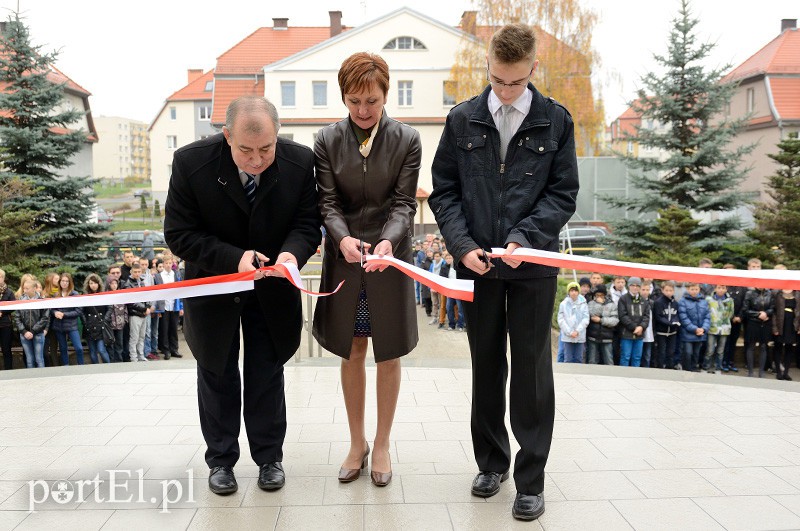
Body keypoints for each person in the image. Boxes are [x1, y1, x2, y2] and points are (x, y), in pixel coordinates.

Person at [430, 23, 579, 521]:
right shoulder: (461, 120)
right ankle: (491, 463)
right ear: (488, 68)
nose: (505, 91)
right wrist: (462, 245)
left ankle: (531, 478)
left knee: (533, 371)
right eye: (496, 79)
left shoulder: (556, 121)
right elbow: (445, 192)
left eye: (514, 82)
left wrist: (527, 238)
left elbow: (563, 194)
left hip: (533, 267)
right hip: (479, 266)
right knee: (486, 364)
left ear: (533, 70)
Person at [164, 95, 320, 496]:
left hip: (272, 288)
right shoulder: (190, 163)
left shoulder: (300, 162)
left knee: (267, 370)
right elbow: (179, 234)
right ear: (226, 135)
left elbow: (306, 223)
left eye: (266, 149)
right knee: (216, 370)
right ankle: (221, 461)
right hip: (214, 285)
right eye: (246, 150)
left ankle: (270, 458)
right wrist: (234, 259)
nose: (257, 160)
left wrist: (292, 253)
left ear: (277, 136)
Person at [312, 52, 420, 488]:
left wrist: (387, 241)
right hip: (345, 256)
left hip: (389, 258)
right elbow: (327, 202)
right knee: (353, 348)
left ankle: (382, 444)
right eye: (354, 100)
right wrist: (341, 238)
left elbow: (405, 202)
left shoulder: (407, 139)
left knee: (388, 351)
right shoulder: (327, 140)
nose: (362, 110)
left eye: (371, 100)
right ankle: (356, 443)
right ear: (343, 96)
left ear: (385, 95)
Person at [12, 279, 48, 368]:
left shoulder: (42, 301)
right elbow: (17, 317)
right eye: (24, 288)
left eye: (27, 288)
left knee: (39, 359)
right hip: (24, 334)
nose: (25, 290)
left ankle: (42, 379)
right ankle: (30, 380)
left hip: (38, 333)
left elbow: (44, 318)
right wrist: (24, 331)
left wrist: (33, 331)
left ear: (34, 288)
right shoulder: (21, 300)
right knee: (29, 360)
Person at [51, 272, 85, 366]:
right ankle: (66, 366)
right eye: (63, 281)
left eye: (67, 281)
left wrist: (64, 314)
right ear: (60, 282)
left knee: (78, 348)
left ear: (70, 283)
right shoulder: (56, 295)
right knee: (62, 348)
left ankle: (81, 365)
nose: (65, 283)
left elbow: (78, 311)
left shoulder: (74, 294)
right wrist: (55, 313)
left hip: (71, 325)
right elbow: (51, 309)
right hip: (59, 325)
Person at [617, 277, 650, 368]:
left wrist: (641, 327)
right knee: (625, 357)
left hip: (639, 334)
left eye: (637, 286)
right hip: (627, 334)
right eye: (632, 285)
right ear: (628, 286)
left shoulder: (644, 301)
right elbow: (623, 316)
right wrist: (634, 327)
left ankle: (635, 377)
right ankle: (623, 377)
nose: (635, 287)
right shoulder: (623, 299)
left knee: (637, 357)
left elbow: (646, 317)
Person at [742, 283, 774, 377]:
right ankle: (750, 371)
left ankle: (761, 371)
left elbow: (772, 308)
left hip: (765, 323)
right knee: (751, 346)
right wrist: (758, 314)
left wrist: (766, 313)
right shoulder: (749, 293)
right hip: (753, 323)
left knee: (763, 346)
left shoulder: (770, 293)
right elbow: (745, 310)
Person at [771, 271, 798, 381]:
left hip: (792, 325)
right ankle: (778, 371)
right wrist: (774, 327)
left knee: (789, 348)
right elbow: (773, 311)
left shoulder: (797, 293)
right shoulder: (776, 293)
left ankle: (786, 372)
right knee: (777, 347)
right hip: (780, 324)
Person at [678, 282, 710, 372]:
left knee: (696, 353)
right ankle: (687, 370)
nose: (694, 291)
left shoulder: (704, 301)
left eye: (696, 289)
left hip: (700, 333)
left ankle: (694, 369)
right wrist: (694, 329)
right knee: (688, 353)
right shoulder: (683, 301)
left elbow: (707, 316)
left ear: (699, 289)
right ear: (688, 289)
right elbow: (683, 318)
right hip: (688, 333)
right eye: (692, 289)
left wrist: (703, 328)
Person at [82, 274, 112, 364]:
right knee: (92, 351)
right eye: (91, 283)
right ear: (88, 284)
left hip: (101, 326)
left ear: (99, 284)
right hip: (90, 326)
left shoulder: (104, 295)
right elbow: (82, 311)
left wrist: (105, 320)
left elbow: (110, 308)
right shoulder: (85, 297)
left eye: (95, 283)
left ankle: (109, 367)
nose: (93, 285)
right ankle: (95, 370)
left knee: (101, 350)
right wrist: (85, 322)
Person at [123, 263, 151, 363]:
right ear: (131, 272)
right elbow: (131, 302)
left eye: (139, 272)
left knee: (142, 336)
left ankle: (141, 355)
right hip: (135, 314)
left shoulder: (142, 282)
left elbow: (146, 296)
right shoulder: (128, 284)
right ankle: (133, 357)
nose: (137, 274)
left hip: (144, 314)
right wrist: (144, 309)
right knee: (134, 337)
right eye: (135, 272)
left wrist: (147, 307)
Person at [158, 254, 183, 360]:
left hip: (174, 305)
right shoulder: (159, 276)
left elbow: (180, 291)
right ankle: (166, 350)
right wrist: (158, 308)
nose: (168, 265)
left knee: (174, 328)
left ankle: (174, 349)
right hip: (164, 306)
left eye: (170, 263)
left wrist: (181, 307)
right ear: (163, 264)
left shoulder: (176, 275)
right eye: (166, 263)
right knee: (164, 329)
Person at [585, 284, 617, 365]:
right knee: (592, 360)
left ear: (605, 295)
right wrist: (599, 305)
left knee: (609, 360)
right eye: (597, 295)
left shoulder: (611, 304)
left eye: (601, 295)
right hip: (593, 336)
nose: (599, 297)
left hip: (607, 337)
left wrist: (601, 320)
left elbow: (615, 320)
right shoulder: (591, 303)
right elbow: (592, 315)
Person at [557, 282, 589, 363]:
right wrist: (570, 332)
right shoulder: (563, 304)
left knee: (579, 358)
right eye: (571, 291)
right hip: (567, 336)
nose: (574, 293)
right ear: (568, 292)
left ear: (578, 291)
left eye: (575, 290)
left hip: (580, 335)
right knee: (568, 358)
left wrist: (577, 331)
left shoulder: (583, 303)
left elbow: (585, 319)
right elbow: (561, 319)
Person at [705, 284, 733, 374]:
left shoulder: (730, 300)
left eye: (723, 288)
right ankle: (707, 366)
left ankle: (718, 367)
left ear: (726, 289)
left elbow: (731, 313)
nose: (721, 290)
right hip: (712, 327)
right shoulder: (709, 299)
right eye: (719, 288)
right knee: (710, 349)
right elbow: (706, 312)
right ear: (715, 289)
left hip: (724, 328)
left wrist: (724, 320)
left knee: (720, 350)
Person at [653, 281, 681, 369]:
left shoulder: (675, 303)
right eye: (667, 290)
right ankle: (660, 368)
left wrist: (676, 322)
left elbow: (676, 315)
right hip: (661, 332)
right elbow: (658, 316)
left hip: (672, 332)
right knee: (661, 352)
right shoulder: (658, 302)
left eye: (671, 290)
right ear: (662, 290)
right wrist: (670, 323)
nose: (669, 292)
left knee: (671, 352)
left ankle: (670, 367)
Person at [722, 264, 745, 372]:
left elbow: (745, 303)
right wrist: (730, 317)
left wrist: (739, 316)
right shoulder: (723, 286)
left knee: (733, 343)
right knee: (724, 343)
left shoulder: (741, 286)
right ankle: (723, 362)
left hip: (737, 320)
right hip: (725, 320)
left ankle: (731, 362)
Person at [105, 277, 127, 363]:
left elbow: (125, 308)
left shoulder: (120, 294)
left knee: (119, 343)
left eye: (115, 283)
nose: (114, 285)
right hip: (110, 324)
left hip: (120, 323)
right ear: (109, 284)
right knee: (110, 343)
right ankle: (112, 360)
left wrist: (125, 319)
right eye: (112, 283)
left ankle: (119, 360)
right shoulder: (106, 295)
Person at [0, 269, 16, 370]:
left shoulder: (9, 292)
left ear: (3, 278)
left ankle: (8, 371)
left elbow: (13, 306)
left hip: (5, 325)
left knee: (6, 349)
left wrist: (2, 312)